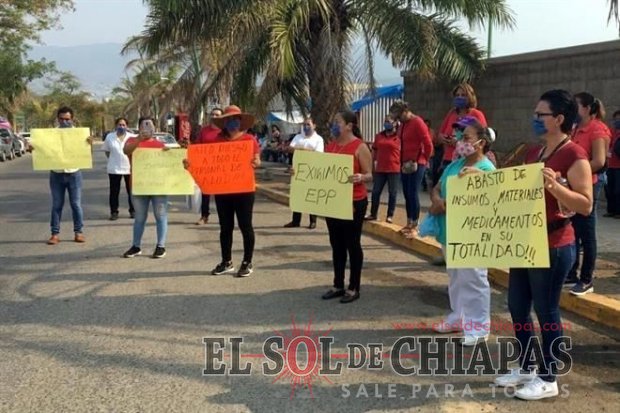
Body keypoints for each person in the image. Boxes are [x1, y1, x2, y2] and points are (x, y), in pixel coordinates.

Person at [494, 89, 592, 401]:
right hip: (526, 241)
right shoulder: (533, 153)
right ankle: (526, 364)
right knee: (517, 306)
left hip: (555, 244)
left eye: (541, 115)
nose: (535, 119)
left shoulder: (574, 155)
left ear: (559, 119)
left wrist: (554, 185)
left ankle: (548, 376)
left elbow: (586, 204)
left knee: (546, 310)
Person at [429, 117, 496, 347]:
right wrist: (438, 200)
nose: (460, 141)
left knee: (474, 280)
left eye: (466, 137)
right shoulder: (454, 164)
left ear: (481, 142)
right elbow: (437, 187)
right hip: (450, 232)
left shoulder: (486, 169)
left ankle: (478, 327)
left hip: (472, 235)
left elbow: (490, 201)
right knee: (456, 278)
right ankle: (458, 317)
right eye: (460, 137)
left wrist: (447, 204)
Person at [185, 105, 261, 277]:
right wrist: (190, 164)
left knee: (245, 226)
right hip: (223, 190)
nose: (232, 122)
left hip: (244, 191)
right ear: (224, 122)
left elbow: (257, 160)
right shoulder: (216, 140)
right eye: (229, 119)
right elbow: (205, 162)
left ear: (241, 121)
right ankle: (226, 261)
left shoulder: (250, 140)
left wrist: (256, 162)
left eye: (235, 119)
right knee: (225, 227)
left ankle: (247, 262)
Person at [321, 110, 372, 303]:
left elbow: (370, 174)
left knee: (352, 244)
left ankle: (354, 286)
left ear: (349, 125)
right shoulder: (331, 147)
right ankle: (338, 284)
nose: (334, 125)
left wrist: (361, 177)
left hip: (354, 202)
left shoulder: (360, 147)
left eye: (337, 122)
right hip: (334, 202)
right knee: (336, 244)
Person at [565, 92, 611, 295]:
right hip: (574, 184)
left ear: (588, 109)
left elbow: (599, 161)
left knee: (586, 232)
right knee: (573, 229)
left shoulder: (597, 129)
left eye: (577, 106)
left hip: (589, 184)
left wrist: (575, 173)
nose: (573, 110)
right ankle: (571, 273)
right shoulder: (576, 129)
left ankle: (586, 279)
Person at [31, 106, 91, 245]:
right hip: (56, 174)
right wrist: (34, 149)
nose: (64, 122)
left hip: (74, 173)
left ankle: (78, 232)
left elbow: (86, 154)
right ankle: (55, 234)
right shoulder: (51, 134)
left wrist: (89, 144)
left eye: (67, 119)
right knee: (57, 205)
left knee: (76, 204)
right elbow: (42, 150)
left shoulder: (80, 134)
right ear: (57, 119)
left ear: (72, 119)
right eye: (62, 119)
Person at [122, 116, 169, 259]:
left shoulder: (160, 145)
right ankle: (136, 246)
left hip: (158, 187)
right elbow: (126, 151)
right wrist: (138, 140)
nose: (147, 128)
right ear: (139, 127)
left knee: (160, 216)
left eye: (150, 126)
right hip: (138, 186)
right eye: (144, 125)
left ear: (155, 128)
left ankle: (161, 246)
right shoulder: (131, 141)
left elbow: (169, 164)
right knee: (139, 217)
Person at [388, 100, 433, 238]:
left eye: (399, 116)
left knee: (413, 192)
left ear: (405, 111)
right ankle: (409, 221)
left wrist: (424, 159)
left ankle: (415, 223)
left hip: (417, 163)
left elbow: (428, 143)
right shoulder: (403, 125)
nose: (399, 120)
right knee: (407, 193)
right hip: (405, 163)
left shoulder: (417, 122)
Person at [283, 117, 324, 229]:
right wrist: (307, 151)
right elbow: (290, 149)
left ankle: (313, 221)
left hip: (312, 171)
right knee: (298, 196)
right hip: (297, 171)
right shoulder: (298, 137)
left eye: (308, 124)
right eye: (304, 125)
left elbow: (318, 154)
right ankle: (296, 221)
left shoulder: (318, 139)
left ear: (314, 126)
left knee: (311, 195)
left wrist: (300, 150)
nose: (306, 127)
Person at [438, 83, 487, 173]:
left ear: (470, 97)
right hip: (448, 160)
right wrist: (444, 139)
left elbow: (483, 137)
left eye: (463, 95)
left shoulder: (476, 114)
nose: (460, 97)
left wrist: (458, 143)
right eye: (457, 95)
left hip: (468, 161)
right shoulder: (451, 113)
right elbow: (440, 134)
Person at [365, 114, 400, 223]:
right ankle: (373, 214)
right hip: (380, 169)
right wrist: (371, 164)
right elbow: (374, 150)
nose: (386, 123)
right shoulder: (379, 136)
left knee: (392, 193)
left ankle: (390, 215)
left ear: (395, 123)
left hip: (394, 169)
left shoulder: (399, 137)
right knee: (375, 192)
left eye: (389, 121)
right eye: (385, 121)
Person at [194, 107, 223, 225]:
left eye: (217, 115)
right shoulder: (204, 131)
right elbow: (197, 146)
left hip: (221, 168)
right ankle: (204, 216)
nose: (214, 117)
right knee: (205, 193)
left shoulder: (225, 131)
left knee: (221, 195)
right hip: (207, 167)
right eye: (213, 114)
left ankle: (223, 217)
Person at [102, 117, 135, 220]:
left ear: (127, 126)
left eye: (123, 125)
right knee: (114, 191)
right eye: (119, 125)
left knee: (131, 191)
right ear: (116, 126)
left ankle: (133, 211)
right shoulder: (110, 137)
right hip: (114, 168)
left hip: (129, 168)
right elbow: (107, 151)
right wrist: (113, 159)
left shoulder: (132, 137)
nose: (121, 127)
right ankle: (114, 212)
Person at [605, 110, 620, 218]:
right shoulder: (612, 132)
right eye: (616, 119)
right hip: (610, 165)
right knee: (609, 189)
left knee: (618, 190)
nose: (617, 121)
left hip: (619, 166)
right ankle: (611, 210)